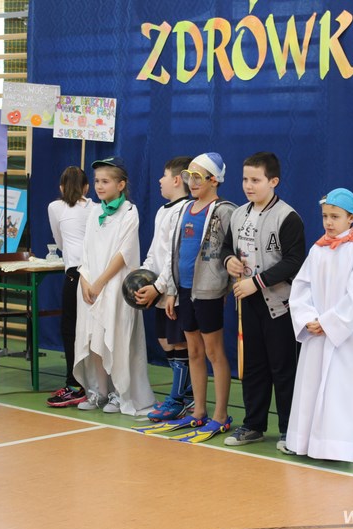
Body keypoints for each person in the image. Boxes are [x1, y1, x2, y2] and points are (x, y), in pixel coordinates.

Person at [220, 152, 306, 452]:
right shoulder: (238, 214)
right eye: (245, 179)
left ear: (273, 181)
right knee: (253, 367)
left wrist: (256, 282)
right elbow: (226, 248)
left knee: (283, 368)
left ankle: (289, 430)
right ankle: (253, 425)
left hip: (280, 305)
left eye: (255, 180)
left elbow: (294, 261)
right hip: (247, 303)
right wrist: (229, 261)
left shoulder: (287, 217)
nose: (248, 185)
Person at [286, 188, 353, 462]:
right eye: (325, 216)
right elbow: (301, 287)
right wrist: (308, 318)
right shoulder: (317, 250)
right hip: (317, 333)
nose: (328, 222)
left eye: (335, 216)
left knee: (340, 392)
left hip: (345, 339)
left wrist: (327, 323)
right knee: (311, 388)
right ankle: (305, 442)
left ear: (351, 218)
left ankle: (336, 446)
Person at [161, 152, 237, 442]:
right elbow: (176, 251)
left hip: (208, 291)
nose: (191, 182)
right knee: (193, 351)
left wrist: (227, 287)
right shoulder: (184, 209)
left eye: (197, 177)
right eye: (188, 176)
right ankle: (199, 411)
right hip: (184, 289)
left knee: (214, 352)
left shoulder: (225, 211)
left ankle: (221, 415)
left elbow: (232, 252)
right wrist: (171, 290)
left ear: (214, 180)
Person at [74, 156, 156, 415]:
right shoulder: (93, 212)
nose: (99, 186)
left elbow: (124, 253)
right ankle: (99, 390)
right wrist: (85, 280)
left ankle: (120, 393)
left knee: (116, 339)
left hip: (113, 287)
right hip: (90, 288)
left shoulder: (129, 212)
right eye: (97, 181)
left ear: (121, 185)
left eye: (106, 181)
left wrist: (100, 282)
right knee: (93, 340)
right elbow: (85, 250)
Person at [133, 156, 194, 421]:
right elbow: (154, 253)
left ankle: (179, 399)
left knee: (178, 341)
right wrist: (142, 277)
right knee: (164, 341)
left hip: (174, 292)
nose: (160, 180)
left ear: (177, 179)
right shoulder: (162, 211)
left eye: (164, 175)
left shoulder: (185, 210)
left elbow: (175, 256)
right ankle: (187, 393)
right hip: (158, 289)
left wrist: (159, 287)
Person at [46, 166, 94, 407]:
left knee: (70, 329)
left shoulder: (55, 207)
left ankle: (75, 385)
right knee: (92, 331)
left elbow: (59, 241)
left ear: (61, 187)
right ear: (87, 187)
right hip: (96, 275)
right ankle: (93, 384)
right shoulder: (96, 208)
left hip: (76, 274)